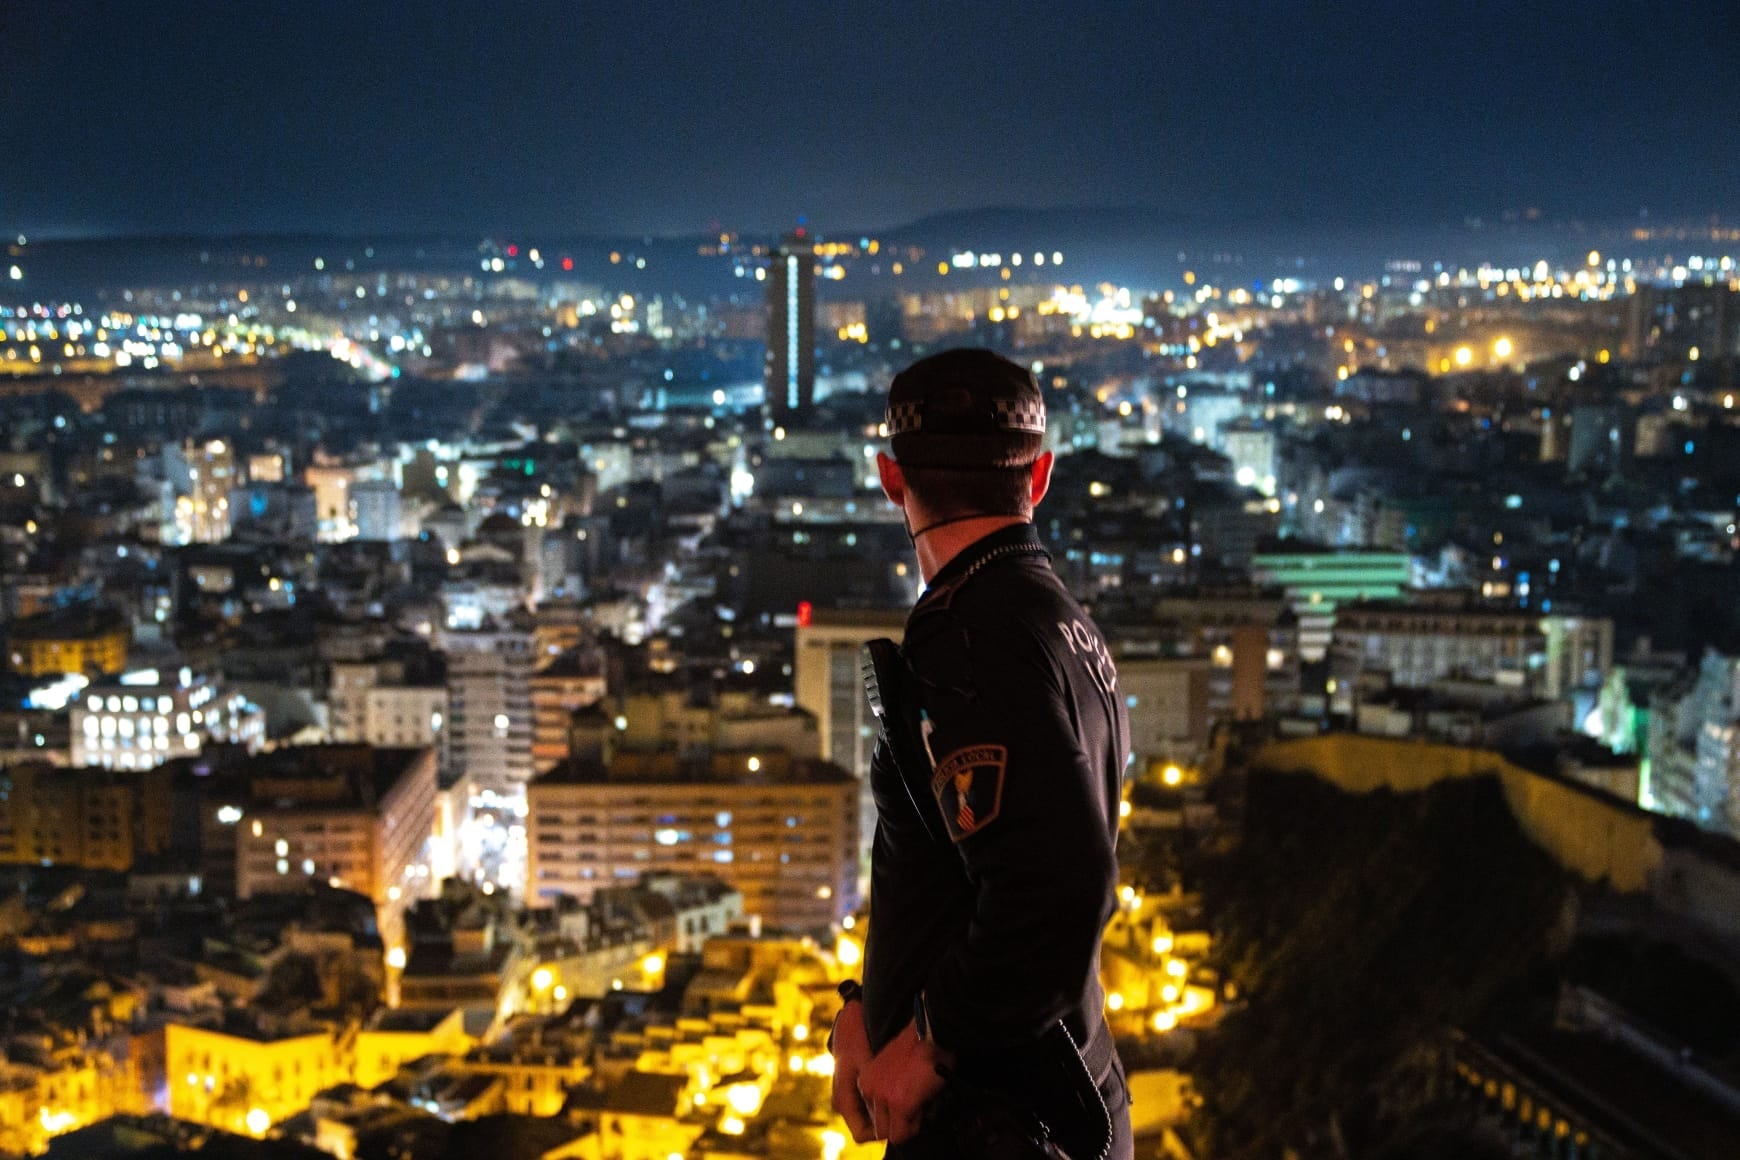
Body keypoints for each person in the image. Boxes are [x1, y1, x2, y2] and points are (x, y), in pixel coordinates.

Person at [830, 348, 1132, 1158]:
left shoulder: (973, 638)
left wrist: (928, 1038)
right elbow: (960, 868)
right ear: (1039, 478)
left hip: (997, 1121)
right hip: (1047, 1092)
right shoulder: (1054, 620)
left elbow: (1060, 883)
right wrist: (868, 1007)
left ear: (893, 479)